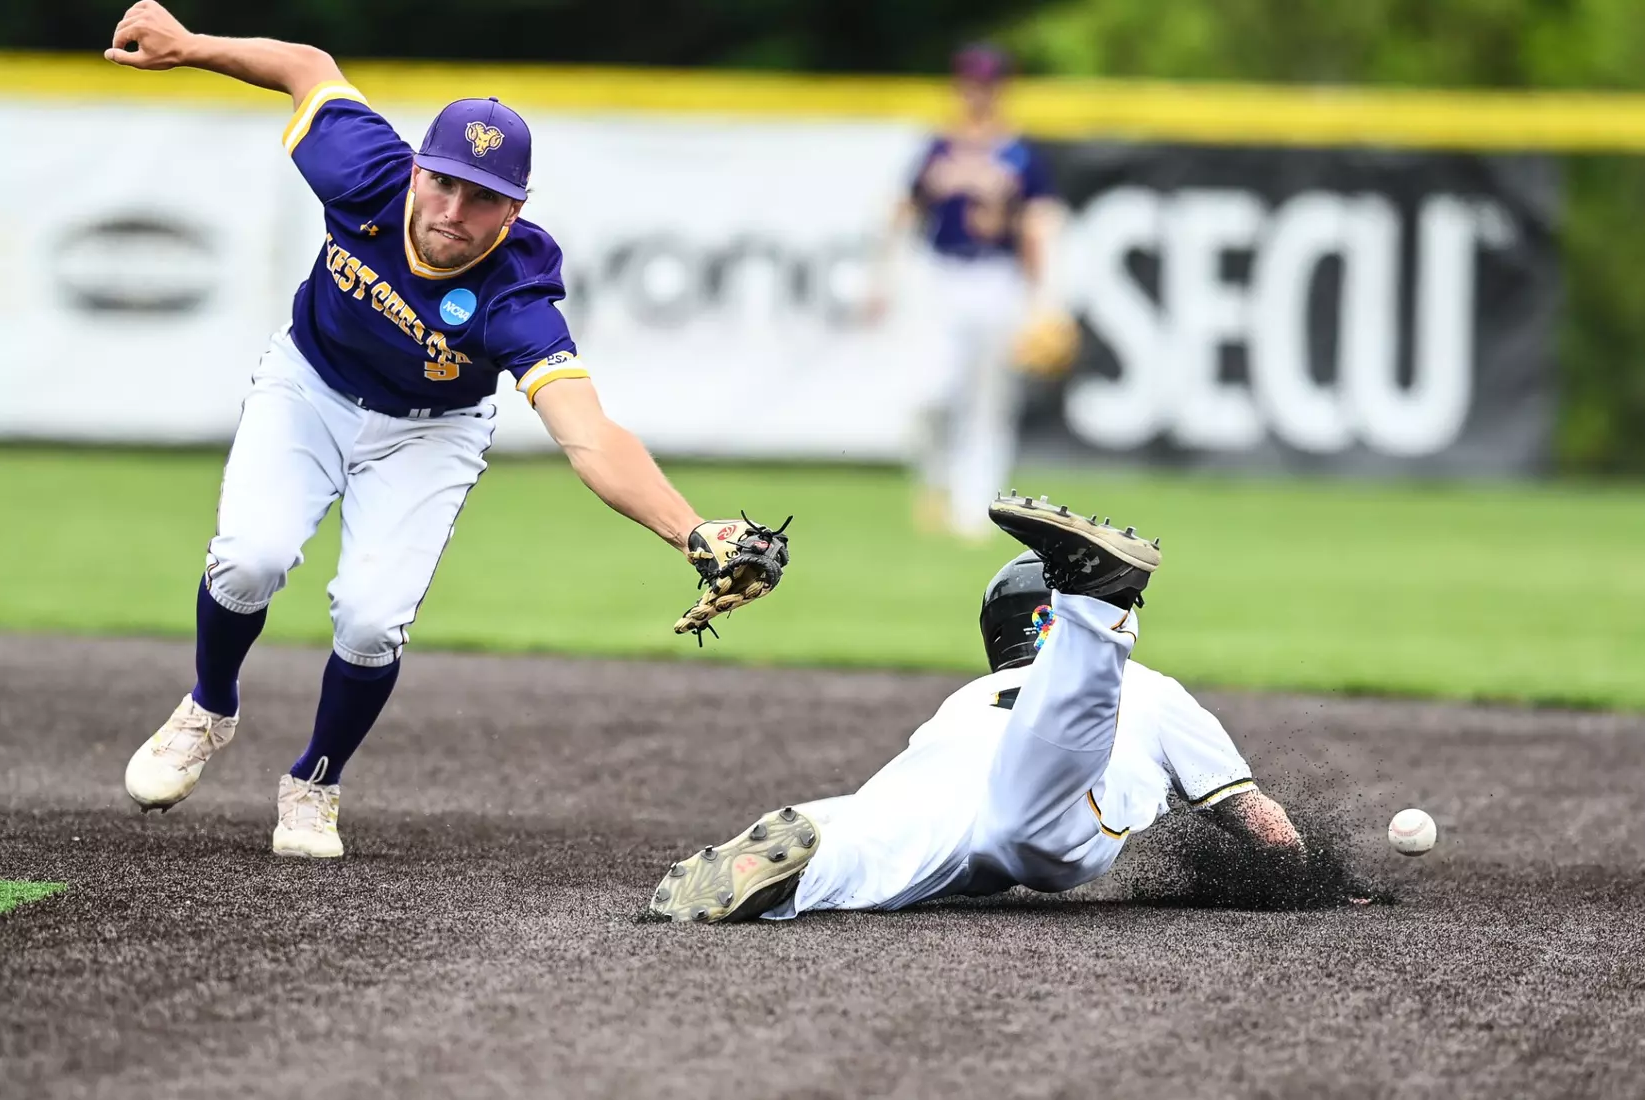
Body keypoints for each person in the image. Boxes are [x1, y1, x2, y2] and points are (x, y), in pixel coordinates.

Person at [106, 2, 789, 858]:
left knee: (368, 620)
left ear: (516, 210)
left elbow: (587, 434)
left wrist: (690, 529)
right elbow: (307, 65)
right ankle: (208, 707)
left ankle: (315, 782)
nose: (454, 209)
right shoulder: (363, 171)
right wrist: (193, 47)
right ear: (419, 168)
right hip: (309, 386)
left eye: (485, 198)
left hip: (427, 433)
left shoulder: (515, 296)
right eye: (444, 181)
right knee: (251, 556)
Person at [650, 492, 1307, 923]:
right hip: (1051, 813)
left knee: (876, 841)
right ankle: (1099, 605)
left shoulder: (964, 697)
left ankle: (801, 872)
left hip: (943, 784)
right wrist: (1306, 879)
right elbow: (1259, 822)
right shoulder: (1154, 691)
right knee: (1054, 753)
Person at [870, 45, 1070, 541]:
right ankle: (937, 482)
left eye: (988, 83)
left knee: (988, 404)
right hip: (943, 275)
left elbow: (1038, 226)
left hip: (997, 278)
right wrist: (882, 277)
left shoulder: (1020, 154)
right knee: (929, 392)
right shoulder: (939, 148)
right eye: (971, 82)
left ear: (1002, 88)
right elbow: (904, 212)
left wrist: (1043, 299)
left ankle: (975, 509)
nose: (978, 92)